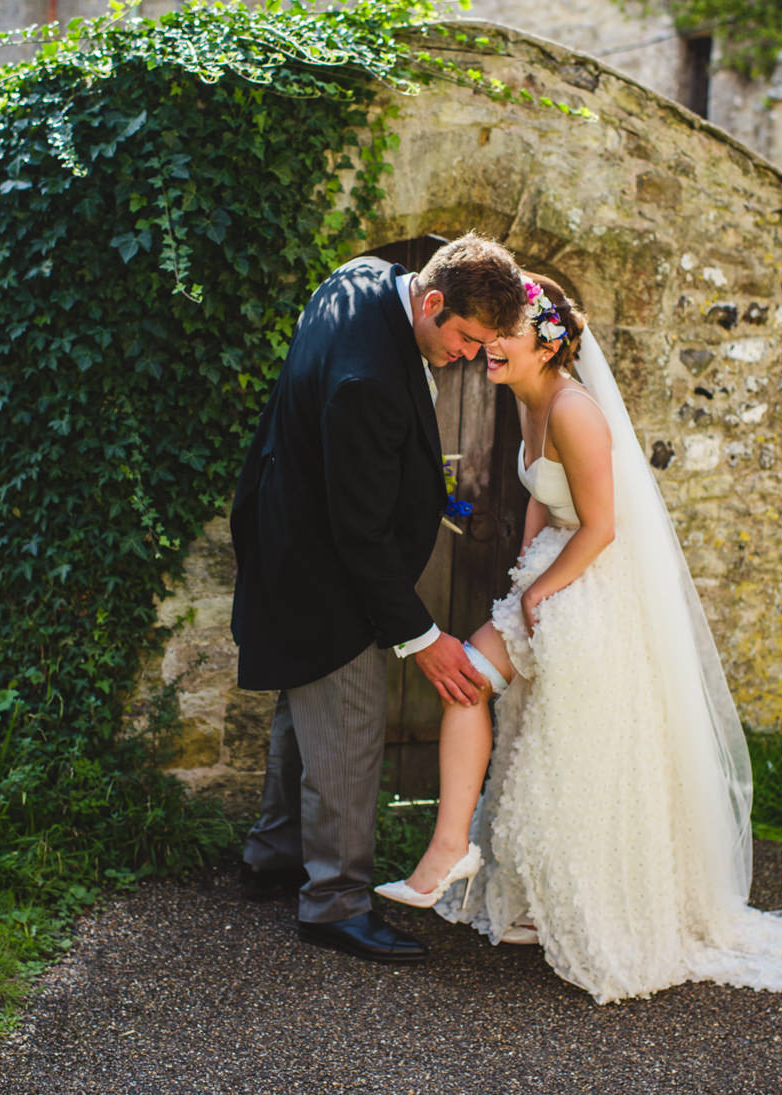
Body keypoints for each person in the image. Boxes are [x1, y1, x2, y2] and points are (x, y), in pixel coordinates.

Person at [376, 274, 782, 1003]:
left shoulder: (574, 409)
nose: (491, 346)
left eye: (507, 333)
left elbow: (603, 526)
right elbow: (541, 493)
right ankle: (484, 870)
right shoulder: (528, 400)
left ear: (548, 341)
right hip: (552, 577)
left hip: (593, 588)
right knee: (506, 711)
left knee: (563, 745)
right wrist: (524, 565)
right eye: (490, 334)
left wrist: (538, 588)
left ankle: (523, 884)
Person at [229, 233, 526, 964]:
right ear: (430, 301)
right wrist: (422, 639)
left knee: (305, 715)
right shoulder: (368, 378)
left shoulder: (358, 277)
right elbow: (357, 534)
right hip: (325, 568)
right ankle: (333, 902)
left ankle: (273, 853)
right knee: (348, 728)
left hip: (284, 527)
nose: (469, 356)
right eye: (464, 338)